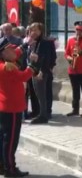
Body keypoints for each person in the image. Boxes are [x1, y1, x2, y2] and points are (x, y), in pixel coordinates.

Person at [0, 37, 39, 177]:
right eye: (9, 48)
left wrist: (25, 45)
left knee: (3, 138)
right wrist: (32, 64)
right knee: (10, 141)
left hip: (5, 107)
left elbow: (15, 53)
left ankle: (3, 166)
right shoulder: (7, 67)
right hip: (12, 107)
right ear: (3, 53)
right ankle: (10, 169)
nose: (13, 50)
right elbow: (23, 76)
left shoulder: (4, 62)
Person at [28, 23, 57, 124]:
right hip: (33, 71)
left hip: (42, 72)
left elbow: (47, 58)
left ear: (41, 31)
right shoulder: (33, 42)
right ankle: (40, 113)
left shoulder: (45, 42)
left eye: (36, 30)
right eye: (32, 30)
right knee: (38, 94)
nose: (33, 32)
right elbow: (32, 57)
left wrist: (42, 71)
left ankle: (44, 115)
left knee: (43, 94)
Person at [65, 21, 82, 117]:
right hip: (72, 69)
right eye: (77, 30)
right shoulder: (70, 40)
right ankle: (75, 109)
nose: (78, 32)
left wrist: (81, 52)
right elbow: (66, 53)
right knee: (75, 90)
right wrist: (68, 58)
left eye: (81, 30)